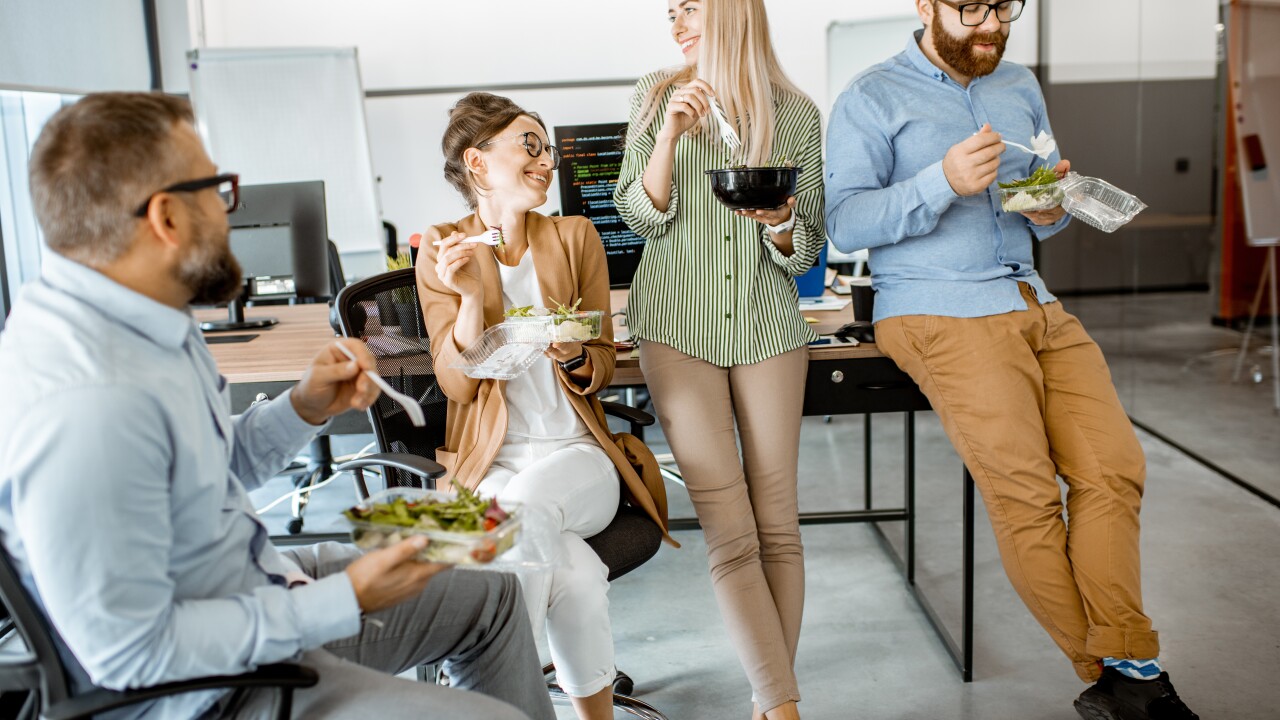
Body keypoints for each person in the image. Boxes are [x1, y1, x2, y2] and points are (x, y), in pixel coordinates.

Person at [0, 92, 556, 720]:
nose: (228, 209)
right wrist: (344, 597)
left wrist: (301, 407)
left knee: (494, 597)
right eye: (217, 189)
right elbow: (131, 654)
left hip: (255, 580)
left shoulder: (148, 318)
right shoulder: (87, 401)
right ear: (166, 218)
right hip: (213, 690)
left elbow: (201, 472)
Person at [824, 3, 1199, 719]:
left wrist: (1049, 204)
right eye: (970, 7)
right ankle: (1127, 673)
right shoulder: (872, 95)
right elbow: (844, 222)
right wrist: (943, 181)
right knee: (1027, 498)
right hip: (941, 310)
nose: (991, 23)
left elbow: (1046, 205)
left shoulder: (1019, 84)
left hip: (1033, 301)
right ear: (925, 4)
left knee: (1114, 470)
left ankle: (1125, 671)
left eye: (1004, 6)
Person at [415, 91, 674, 720]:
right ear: (477, 162)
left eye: (547, 148)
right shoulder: (443, 247)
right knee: (576, 577)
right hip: (489, 464)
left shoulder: (573, 236)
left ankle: (492, 703)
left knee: (525, 511)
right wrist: (471, 297)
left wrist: (572, 356)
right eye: (529, 144)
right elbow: (456, 388)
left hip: (577, 456)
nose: (546, 160)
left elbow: (604, 359)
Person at [612, 1, 826, 718]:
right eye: (670, 12)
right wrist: (669, 134)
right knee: (731, 532)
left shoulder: (796, 112)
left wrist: (783, 221)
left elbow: (810, 248)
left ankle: (772, 700)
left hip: (768, 328)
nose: (675, 23)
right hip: (677, 328)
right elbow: (638, 216)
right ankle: (784, 706)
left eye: (690, 8)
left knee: (778, 529)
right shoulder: (654, 94)